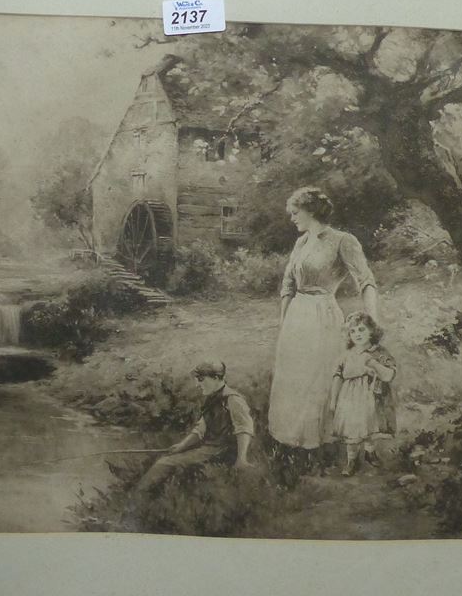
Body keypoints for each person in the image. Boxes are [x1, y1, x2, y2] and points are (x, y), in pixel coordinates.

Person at [266, 186, 380, 452]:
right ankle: (292, 439)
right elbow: (287, 285)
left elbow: (366, 280)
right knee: (295, 376)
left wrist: (373, 320)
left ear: (311, 211)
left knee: (319, 376)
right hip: (297, 316)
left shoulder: (343, 240)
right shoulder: (301, 242)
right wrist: (284, 323)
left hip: (323, 314)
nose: (292, 218)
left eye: (296, 213)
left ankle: (324, 441)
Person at [133, 359, 254, 494]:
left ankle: (137, 497)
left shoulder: (233, 400)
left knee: (164, 464)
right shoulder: (212, 399)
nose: (197, 384)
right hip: (210, 449)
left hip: (222, 452)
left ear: (216, 378)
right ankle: (142, 494)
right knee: (166, 461)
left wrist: (241, 459)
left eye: (201, 379)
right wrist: (181, 446)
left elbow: (244, 428)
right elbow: (200, 430)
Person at [328, 312, 397, 476]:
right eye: (353, 331)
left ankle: (370, 452)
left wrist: (372, 363)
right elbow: (337, 377)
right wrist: (333, 400)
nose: (357, 334)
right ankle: (352, 460)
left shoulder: (378, 352)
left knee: (370, 426)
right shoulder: (346, 355)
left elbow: (389, 375)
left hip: (372, 398)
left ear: (371, 331)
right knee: (352, 430)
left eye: (361, 330)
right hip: (350, 400)